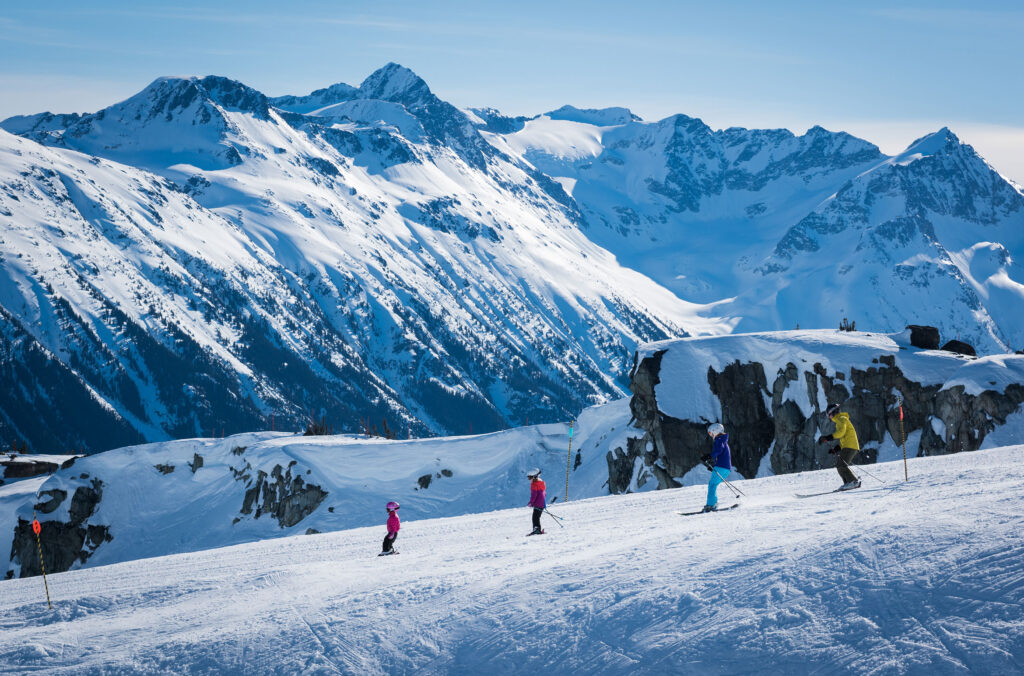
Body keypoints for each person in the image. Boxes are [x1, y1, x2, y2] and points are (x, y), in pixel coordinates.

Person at [817, 404, 861, 490]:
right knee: (839, 465)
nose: (829, 417)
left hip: (850, 446)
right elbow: (843, 438)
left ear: (832, 413)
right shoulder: (840, 420)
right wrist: (837, 449)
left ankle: (853, 482)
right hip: (848, 445)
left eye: (828, 415)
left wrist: (828, 437)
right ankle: (848, 483)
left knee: (841, 465)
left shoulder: (842, 419)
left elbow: (841, 432)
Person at [701, 423, 732, 512]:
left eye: (711, 433)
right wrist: (714, 466)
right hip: (724, 467)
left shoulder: (719, 440)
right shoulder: (723, 440)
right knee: (713, 484)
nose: (711, 435)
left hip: (722, 467)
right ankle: (712, 503)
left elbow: (718, 450)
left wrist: (709, 456)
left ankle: (711, 505)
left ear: (715, 431)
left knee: (712, 485)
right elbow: (721, 455)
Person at [526, 468, 546, 535]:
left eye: (529, 477)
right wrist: (543, 504)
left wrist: (531, 503)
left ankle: (537, 530)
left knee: (535, 517)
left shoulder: (534, 484)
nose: (529, 479)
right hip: (542, 504)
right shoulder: (541, 483)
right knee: (537, 517)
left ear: (534, 477)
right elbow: (544, 494)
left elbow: (534, 495)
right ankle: (537, 529)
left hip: (537, 504)